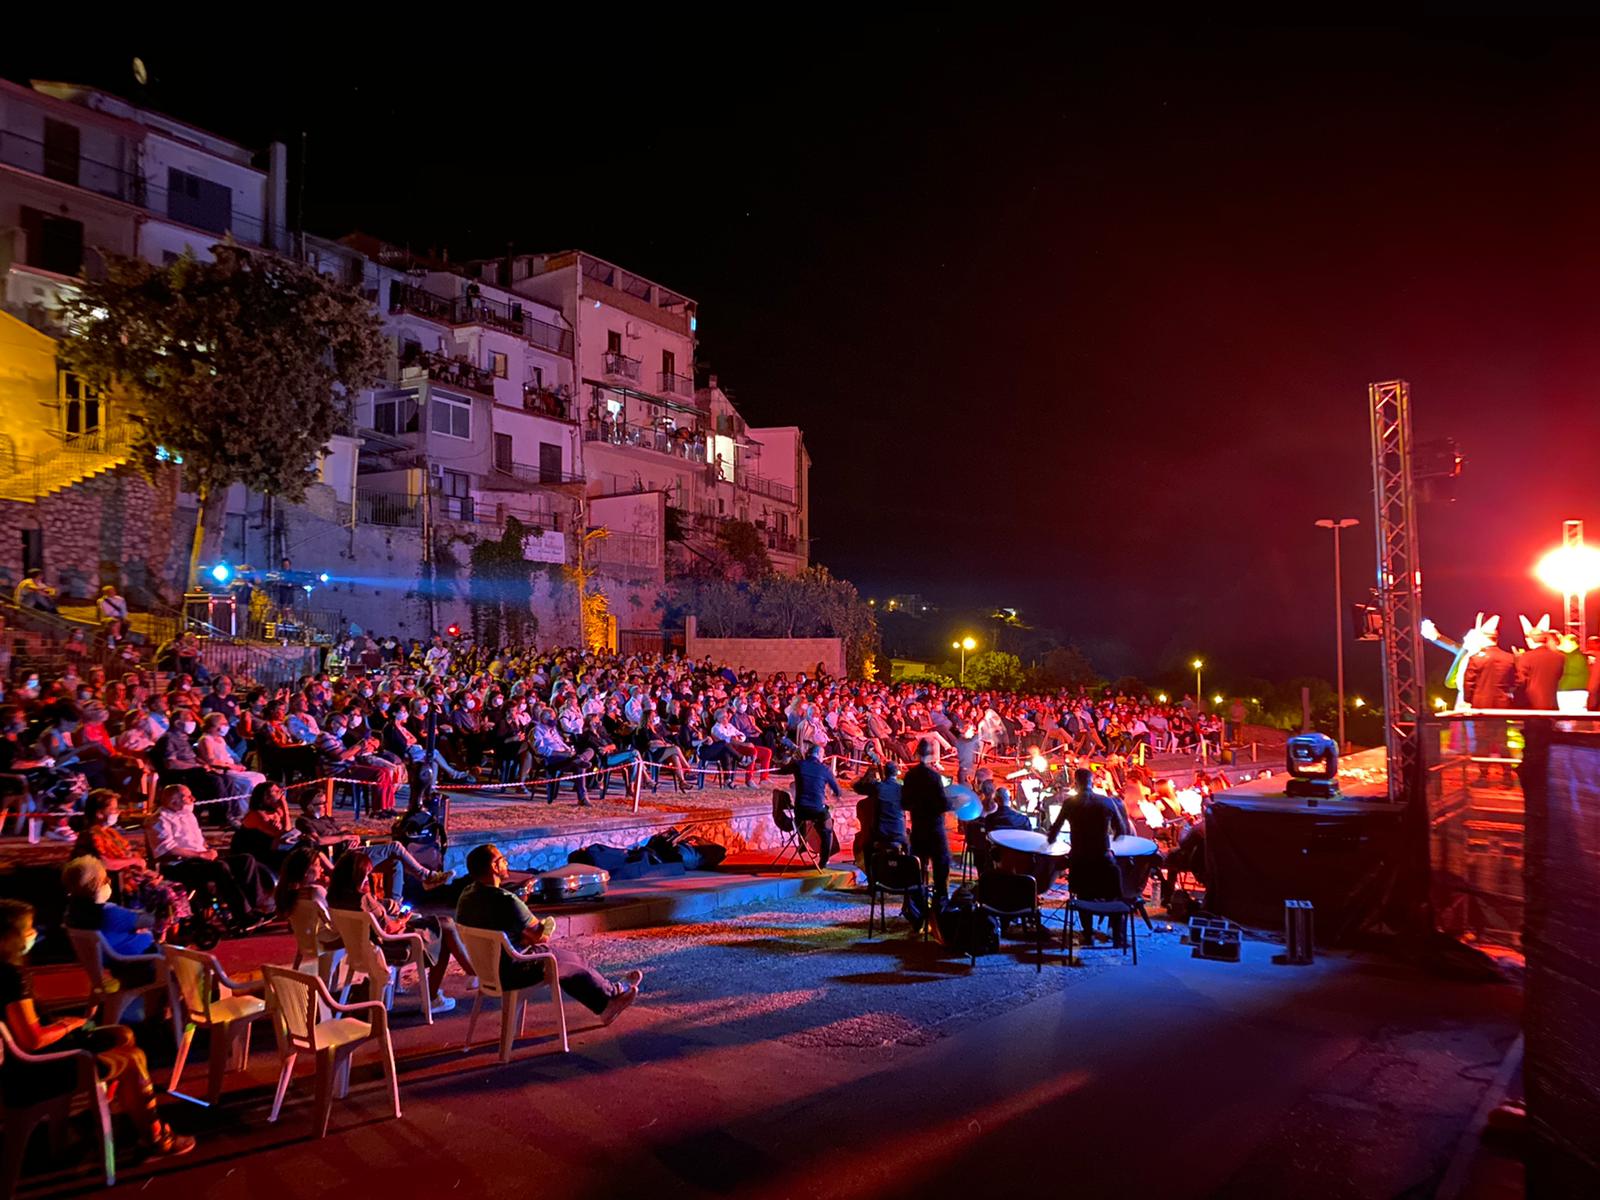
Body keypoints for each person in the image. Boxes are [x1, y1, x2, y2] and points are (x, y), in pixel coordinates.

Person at [0, 899, 194, 1157]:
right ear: (10, 937)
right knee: (134, 1058)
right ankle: (155, 1135)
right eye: (28, 929)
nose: (34, 933)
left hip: (25, 1063)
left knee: (122, 1034)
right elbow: (32, 1040)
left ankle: (111, 1101)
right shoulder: (12, 977)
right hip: (35, 1070)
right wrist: (67, 1024)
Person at [455, 844, 641, 1024]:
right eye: (503, 860)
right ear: (494, 866)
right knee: (572, 961)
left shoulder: (466, 896)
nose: (506, 864)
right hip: (513, 971)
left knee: (565, 963)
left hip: (486, 971)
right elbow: (540, 936)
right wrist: (542, 927)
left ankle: (606, 1002)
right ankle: (610, 996)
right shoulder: (506, 901)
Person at [327, 850, 469, 1015]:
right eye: (366, 874)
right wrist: (403, 919)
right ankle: (438, 993)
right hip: (391, 947)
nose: (368, 877)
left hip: (360, 948)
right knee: (445, 928)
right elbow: (389, 929)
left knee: (442, 925)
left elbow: (375, 913)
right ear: (356, 875)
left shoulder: (336, 897)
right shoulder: (362, 899)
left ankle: (450, 983)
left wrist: (386, 905)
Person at [71, 789, 189, 939]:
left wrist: (148, 872)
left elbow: (130, 858)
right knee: (166, 893)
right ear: (99, 813)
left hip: (134, 878)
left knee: (177, 888)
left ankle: (165, 936)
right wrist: (134, 862)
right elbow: (105, 863)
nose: (117, 812)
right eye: (113, 809)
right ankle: (156, 937)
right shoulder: (91, 835)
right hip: (116, 882)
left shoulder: (111, 833)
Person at [149, 784, 260, 930]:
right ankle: (243, 915)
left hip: (200, 859)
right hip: (177, 865)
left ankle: (255, 907)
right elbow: (167, 849)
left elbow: (198, 841)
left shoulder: (188, 815)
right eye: (188, 796)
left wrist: (209, 850)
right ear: (174, 802)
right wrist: (200, 854)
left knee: (246, 860)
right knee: (219, 868)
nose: (193, 799)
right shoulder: (159, 819)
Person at [1049, 767, 1130, 944]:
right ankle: (1117, 935)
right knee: (1114, 895)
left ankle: (1088, 935)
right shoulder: (1107, 802)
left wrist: (1049, 842)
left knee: (1083, 896)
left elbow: (1054, 831)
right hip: (1104, 859)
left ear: (1076, 783)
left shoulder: (1070, 803)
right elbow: (1121, 830)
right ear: (1092, 781)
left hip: (1079, 860)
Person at [61, 856, 157, 960]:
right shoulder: (109, 913)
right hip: (140, 962)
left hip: (110, 963)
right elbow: (151, 920)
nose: (109, 881)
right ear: (95, 886)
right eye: (105, 880)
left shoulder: (72, 913)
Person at [902, 738, 953, 898]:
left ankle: (917, 896)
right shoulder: (934, 777)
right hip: (934, 828)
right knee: (942, 861)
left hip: (918, 827)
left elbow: (904, 803)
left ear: (917, 754)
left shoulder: (910, 776)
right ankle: (941, 895)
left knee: (917, 863)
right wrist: (954, 803)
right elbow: (942, 804)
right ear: (931, 756)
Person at [779, 742, 841, 865]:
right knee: (827, 828)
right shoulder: (825, 769)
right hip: (817, 809)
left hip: (800, 809)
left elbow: (783, 770)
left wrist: (789, 757)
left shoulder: (799, 765)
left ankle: (802, 842)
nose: (823, 758)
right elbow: (837, 790)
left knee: (800, 818)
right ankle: (824, 859)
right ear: (818, 754)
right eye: (822, 755)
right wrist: (836, 795)